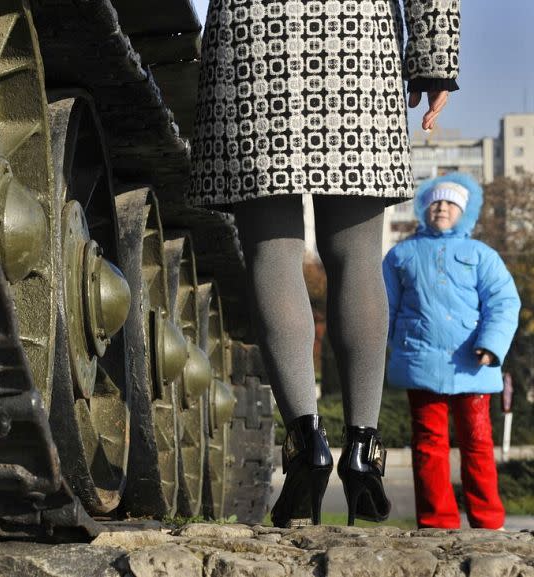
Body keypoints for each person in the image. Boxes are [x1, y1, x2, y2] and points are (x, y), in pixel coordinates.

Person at [188, 0, 461, 527]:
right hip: (357, 36)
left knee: (272, 253)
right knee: (358, 256)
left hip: (254, 39)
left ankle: (305, 447)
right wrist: (433, 58)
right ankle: (363, 450)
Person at [383, 173, 520, 530]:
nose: (441, 207)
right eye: (435, 202)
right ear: (423, 209)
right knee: (429, 444)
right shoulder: (401, 254)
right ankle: (435, 522)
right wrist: (391, 347)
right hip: (421, 364)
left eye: (450, 203)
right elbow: (384, 307)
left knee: (477, 442)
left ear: (465, 211)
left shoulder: (481, 254)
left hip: (472, 366)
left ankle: (489, 523)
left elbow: (503, 303)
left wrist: (491, 344)